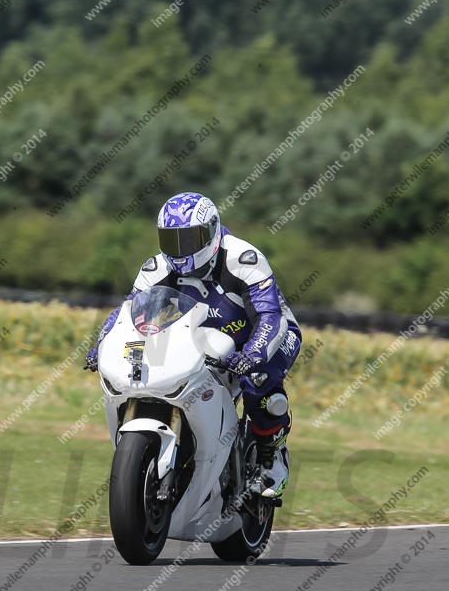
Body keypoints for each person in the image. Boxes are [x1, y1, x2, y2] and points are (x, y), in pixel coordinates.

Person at [86, 192, 301, 500]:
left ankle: (272, 453)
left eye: (188, 239)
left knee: (258, 381)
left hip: (265, 333)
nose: (180, 250)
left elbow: (269, 317)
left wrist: (252, 354)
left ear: (212, 230)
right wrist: (102, 345)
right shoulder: (157, 268)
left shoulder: (243, 259)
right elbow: (127, 314)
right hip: (203, 338)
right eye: (172, 241)